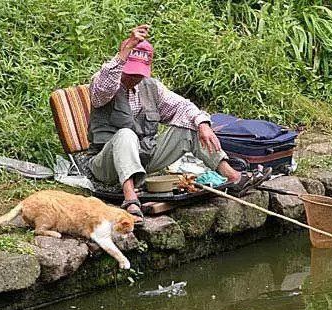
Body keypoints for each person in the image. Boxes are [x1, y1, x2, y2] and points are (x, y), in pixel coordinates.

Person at [88, 24, 270, 224]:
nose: (134, 78)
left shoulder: (151, 88)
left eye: (139, 74)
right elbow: (103, 87)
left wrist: (203, 124)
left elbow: (182, 107)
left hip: (143, 158)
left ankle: (233, 177)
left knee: (190, 127)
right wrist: (125, 51)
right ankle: (130, 198)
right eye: (130, 73)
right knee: (125, 134)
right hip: (106, 165)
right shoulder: (105, 84)